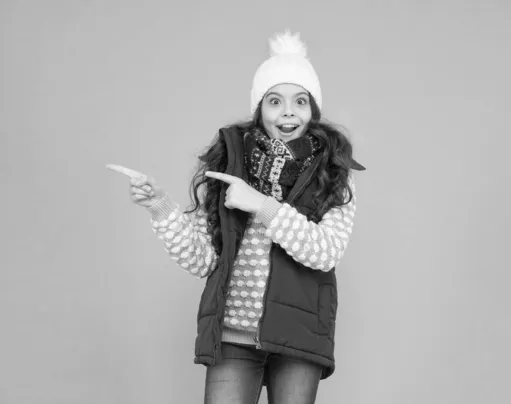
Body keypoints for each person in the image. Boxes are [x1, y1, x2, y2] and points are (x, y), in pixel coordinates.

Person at [107, 30, 365, 404]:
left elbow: (325, 253)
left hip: (300, 333)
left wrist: (260, 204)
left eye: (300, 101)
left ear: (313, 111)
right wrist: (160, 206)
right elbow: (202, 259)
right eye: (275, 101)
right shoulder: (227, 164)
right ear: (260, 108)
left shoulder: (335, 173)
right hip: (232, 336)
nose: (288, 111)